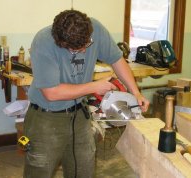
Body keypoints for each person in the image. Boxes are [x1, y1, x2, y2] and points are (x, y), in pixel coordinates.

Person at [23, 9, 149, 178]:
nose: (84, 51)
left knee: (83, 170)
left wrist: (136, 93)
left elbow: (116, 60)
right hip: (46, 119)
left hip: (79, 115)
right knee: (39, 172)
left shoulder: (95, 28)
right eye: (76, 50)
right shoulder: (44, 41)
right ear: (61, 42)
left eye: (87, 45)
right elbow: (52, 93)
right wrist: (93, 87)